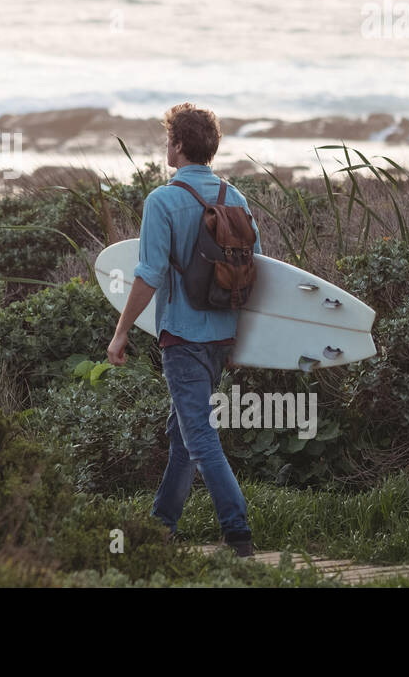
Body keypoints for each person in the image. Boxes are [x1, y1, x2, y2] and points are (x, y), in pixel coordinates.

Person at [106, 102, 260, 557]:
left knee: (199, 436)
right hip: (221, 335)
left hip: (184, 337)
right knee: (183, 433)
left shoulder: (163, 200)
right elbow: (251, 273)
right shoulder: (237, 199)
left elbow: (149, 273)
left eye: (167, 139)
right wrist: (239, 338)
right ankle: (161, 526)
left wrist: (121, 332)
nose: (165, 147)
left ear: (177, 146)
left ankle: (238, 533)